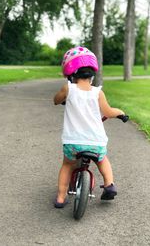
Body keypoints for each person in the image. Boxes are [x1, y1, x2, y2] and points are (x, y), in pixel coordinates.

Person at [53, 46, 126, 208]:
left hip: (73, 142)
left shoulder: (68, 89)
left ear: (70, 73)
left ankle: (60, 197)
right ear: (92, 74)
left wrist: (63, 97)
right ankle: (109, 185)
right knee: (102, 159)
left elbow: (56, 100)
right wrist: (120, 113)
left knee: (67, 164)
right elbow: (108, 111)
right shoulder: (97, 92)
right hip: (96, 141)